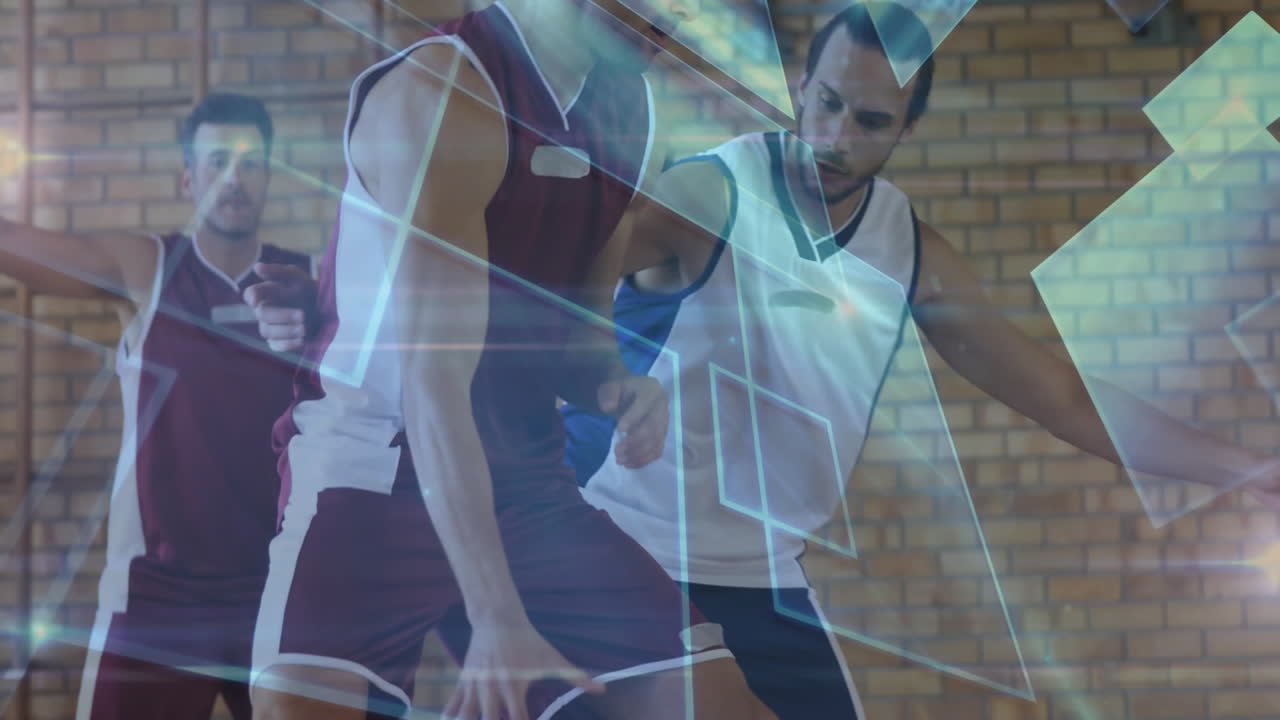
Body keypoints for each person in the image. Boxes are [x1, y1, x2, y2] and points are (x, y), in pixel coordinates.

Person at [560, 3, 1280, 719]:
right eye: (827, 104)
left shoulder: (910, 250)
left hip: (764, 572)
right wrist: (602, 379)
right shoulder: (713, 192)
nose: (836, 138)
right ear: (803, 86)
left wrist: (1244, 468)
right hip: (624, 541)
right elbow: (562, 273)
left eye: (870, 122)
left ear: (906, 129)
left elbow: (1062, 397)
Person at [250, 2, 775, 720]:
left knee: (718, 706)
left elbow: (579, 333)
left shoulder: (629, 102)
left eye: (680, 12)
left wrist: (616, 385)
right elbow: (432, 389)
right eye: (652, 10)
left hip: (523, 477)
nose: (669, 29)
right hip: (374, 468)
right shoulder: (442, 91)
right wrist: (496, 614)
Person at [0, 93, 314, 720]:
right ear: (188, 177)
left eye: (250, 162)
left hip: (279, 593)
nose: (234, 177)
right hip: (158, 600)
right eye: (218, 160)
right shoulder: (148, 267)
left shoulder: (306, 281)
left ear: (270, 175)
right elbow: (16, 248)